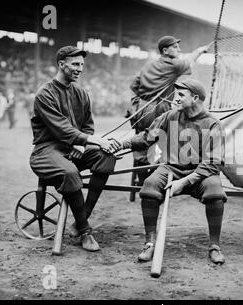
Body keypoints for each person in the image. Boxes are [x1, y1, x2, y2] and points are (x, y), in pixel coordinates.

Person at [116, 79, 227, 264]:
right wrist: (120, 144)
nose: (176, 98)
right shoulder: (170, 116)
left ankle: (214, 246)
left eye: (181, 95)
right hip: (171, 168)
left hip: (201, 174)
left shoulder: (213, 123)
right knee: (149, 186)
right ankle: (149, 243)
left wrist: (184, 181)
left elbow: (213, 162)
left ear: (195, 98)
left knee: (215, 192)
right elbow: (146, 137)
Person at [29, 45, 119, 252]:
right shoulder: (44, 94)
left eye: (82, 65)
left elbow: (87, 125)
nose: (80, 69)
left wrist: (82, 143)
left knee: (106, 156)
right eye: (75, 64)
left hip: (73, 147)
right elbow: (62, 129)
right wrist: (87, 140)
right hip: (46, 150)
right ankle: (85, 231)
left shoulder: (81, 92)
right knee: (70, 172)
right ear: (61, 64)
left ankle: (81, 218)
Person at [126, 35, 213, 185]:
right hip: (157, 110)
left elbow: (134, 85)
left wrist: (140, 101)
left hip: (139, 109)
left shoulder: (148, 65)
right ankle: (153, 181)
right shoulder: (173, 64)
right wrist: (199, 51)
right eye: (175, 47)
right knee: (164, 147)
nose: (179, 50)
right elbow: (189, 63)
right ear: (165, 50)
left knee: (141, 147)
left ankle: (142, 182)